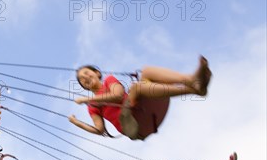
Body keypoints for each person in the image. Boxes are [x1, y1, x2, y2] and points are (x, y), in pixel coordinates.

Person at [69, 56, 212, 139]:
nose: (86, 78)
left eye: (87, 73)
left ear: (97, 73)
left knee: (147, 71)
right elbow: (99, 130)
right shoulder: (93, 106)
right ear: (84, 87)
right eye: (82, 79)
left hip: (139, 109)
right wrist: (77, 123)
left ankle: (192, 82)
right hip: (131, 126)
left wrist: (88, 99)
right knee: (136, 87)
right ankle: (193, 88)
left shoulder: (108, 81)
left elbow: (118, 95)